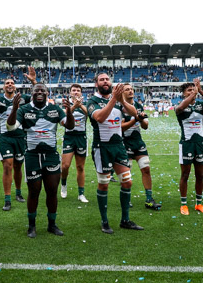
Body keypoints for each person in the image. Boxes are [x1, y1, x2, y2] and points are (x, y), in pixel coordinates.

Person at [8, 84, 74, 237]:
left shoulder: (54, 109)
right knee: (34, 191)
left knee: (52, 191)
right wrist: (14, 109)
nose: (39, 92)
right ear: (31, 93)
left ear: (46, 93)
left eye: (42, 90)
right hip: (32, 156)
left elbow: (70, 126)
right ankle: (31, 226)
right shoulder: (24, 110)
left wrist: (69, 111)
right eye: (36, 90)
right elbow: (11, 127)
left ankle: (52, 224)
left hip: (51, 156)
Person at [86, 72, 143, 234]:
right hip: (102, 147)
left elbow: (134, 113)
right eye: (101, 80)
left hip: (119, 146)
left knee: (127, 182)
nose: (105, 81)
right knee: (104, 184)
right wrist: (113, 100)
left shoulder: (118, 100)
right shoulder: (92, 101)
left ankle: (125, 220)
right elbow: (100, 118)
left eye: (107, 79)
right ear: (96, 84)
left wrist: (122, 100)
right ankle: (104, 221)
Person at [0, 67, 36, 210]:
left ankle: (18, 192)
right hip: (5, 137)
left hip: (20, 137)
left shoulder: (24, 99)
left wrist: (34, 82)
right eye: (7, 83)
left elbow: (39, 97)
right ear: (3, 87)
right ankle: (7, 199)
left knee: (18, 166)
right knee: (7, 165)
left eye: (12, 83)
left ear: (15, 87)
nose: (9, 85)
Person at [175, 78, 203, 215]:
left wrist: (201, 92)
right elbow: (180, 109)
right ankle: (183, 204)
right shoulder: (180, 106)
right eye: (189, 90)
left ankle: (199, 203)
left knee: (200, 175)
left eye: (193, 89)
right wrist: (194, 93)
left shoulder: (200, 105)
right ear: (183, 94)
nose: (192, 92)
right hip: (186, 144)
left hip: (200, 144)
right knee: (185, 174)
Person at [121, 84, 161, 210]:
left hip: (138, 142)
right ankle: (126, 199)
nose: (130, 91)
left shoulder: (138, 106)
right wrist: (135, 120)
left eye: (131, 89)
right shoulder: (118, 107)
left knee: (146, 169)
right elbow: (120, 128)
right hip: (124, 142)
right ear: (122, 93)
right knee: (127, 172)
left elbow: (145, 126)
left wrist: (141, 120)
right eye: (127, 89)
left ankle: (149, 199)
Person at [59, 83, 89, 204]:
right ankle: (63, 185)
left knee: (80, 167)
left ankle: (81, 193)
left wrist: (79, 105)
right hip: (69, 137)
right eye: (74, 90)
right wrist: (74, 106)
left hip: (81, 137)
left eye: (78, 90)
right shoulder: (66, 105)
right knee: (65, 166)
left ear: (81, 93)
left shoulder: (86, 105)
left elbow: (90, 115)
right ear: (70, 93)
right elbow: (63, 117)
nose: (76, 92)